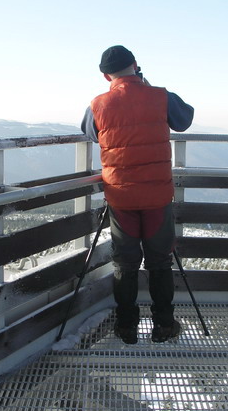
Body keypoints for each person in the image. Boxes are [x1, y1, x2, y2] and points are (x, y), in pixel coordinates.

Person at [81, 45, 194, 344]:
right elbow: (184, 120)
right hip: (157, 196)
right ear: (135, 65)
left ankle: (127, 327)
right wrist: (147, 88)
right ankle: (164, 326)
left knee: (125, 263)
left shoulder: (97, 104)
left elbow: (91, 133)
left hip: (121, 197)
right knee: (160, 261)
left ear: (106, 76)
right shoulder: (161, 96)